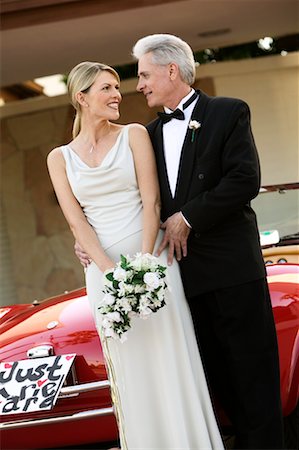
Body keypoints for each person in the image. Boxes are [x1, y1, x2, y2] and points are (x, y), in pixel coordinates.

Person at [47, 61, 224, 450]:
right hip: (102, 274)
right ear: (82, 97)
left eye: (116, 87)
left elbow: (152, 200)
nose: (116, 95)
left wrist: (144, 265)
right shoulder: (58, 158)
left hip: (154, 263)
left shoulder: (134, 135)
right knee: (131, 370)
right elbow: (77, 223)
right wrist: (112, 276)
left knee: (170, 359)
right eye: (106, 89)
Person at [131, 34, 284, 449]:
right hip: (186, 282)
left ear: (171, 70)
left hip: (234, 273)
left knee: (256, 382)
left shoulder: (228, 111)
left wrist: (189, 217)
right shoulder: (146, 135)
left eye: (144, 75)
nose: (140, 84)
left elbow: (244, 179)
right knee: (219, 387)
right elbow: (142, 202)